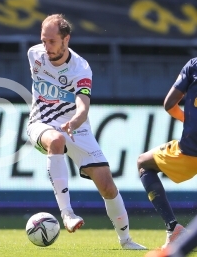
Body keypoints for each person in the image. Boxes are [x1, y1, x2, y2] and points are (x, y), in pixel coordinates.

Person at [25, 14, 146, 250]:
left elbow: (82, 104)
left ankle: (126, 240)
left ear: (66, 39)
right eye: (43, 40)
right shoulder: (34, 54)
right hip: (40, 123)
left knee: (107, 185)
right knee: (57, 140)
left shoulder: (81, 68)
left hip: (76, 126)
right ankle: (67, 213)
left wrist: (78, 119)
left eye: (52, 41)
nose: (46, 47)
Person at [138, 57, 197, 249]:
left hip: (190, 151)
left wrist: (186, 120)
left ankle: (173, 228)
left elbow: (169, 104)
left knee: (143, 163)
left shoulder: (194, 65)